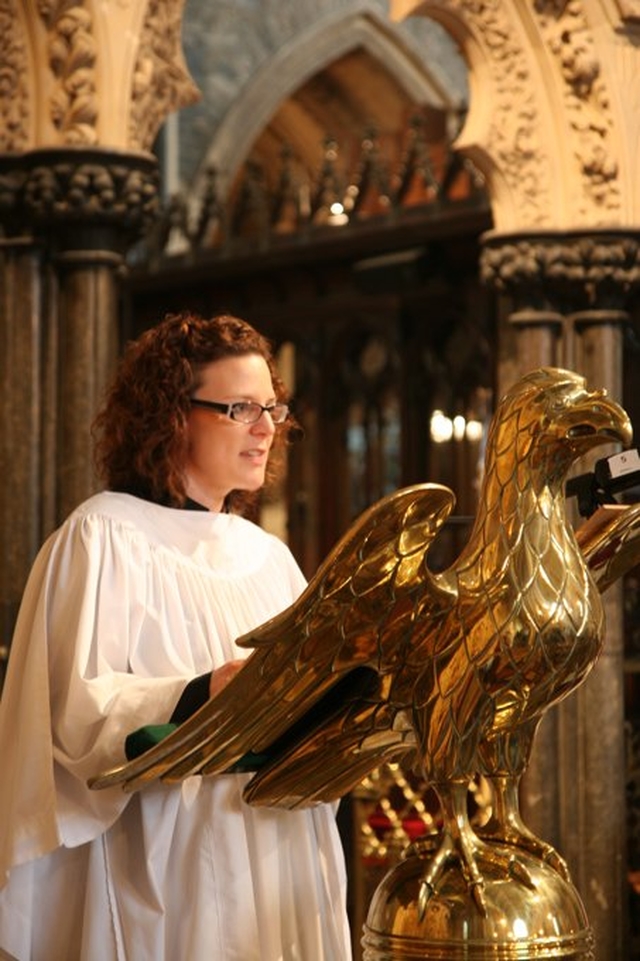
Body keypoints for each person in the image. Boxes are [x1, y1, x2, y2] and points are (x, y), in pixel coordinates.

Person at [0, 312, 352, 960]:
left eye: (271, 406)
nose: (267, 427)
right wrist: (202, 693)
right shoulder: (102, 536)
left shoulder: (269, 557)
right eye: (240, 407)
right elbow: (76, 712)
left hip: (277, 851)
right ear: (172, 415)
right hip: (170, 858)